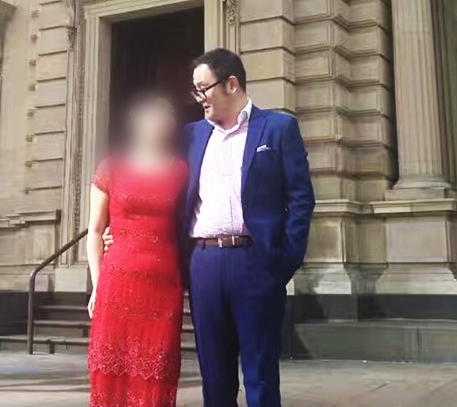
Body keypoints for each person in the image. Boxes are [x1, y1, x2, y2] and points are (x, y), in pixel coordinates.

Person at [103, 48, 315, 407]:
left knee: (261, 373)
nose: (197, 98)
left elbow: (300, 199)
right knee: (214, 377)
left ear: (231, 84)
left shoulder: (278, 128)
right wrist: (121, 230)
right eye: (194, 90)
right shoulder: (191, 136)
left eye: (203, 89)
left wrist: (284, 260)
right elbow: (159, 184)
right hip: (203, 265)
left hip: (257, 262)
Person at [86, 91, 187, 407]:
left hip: (164, 286)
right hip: (117, 284)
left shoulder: (182, 171)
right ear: (137, 121)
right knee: (113, 372)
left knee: (156, 370)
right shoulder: (112, 167)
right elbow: (95, 231)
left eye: (168, 113)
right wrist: (97, 285)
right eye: (155, 112)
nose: (163, 119)